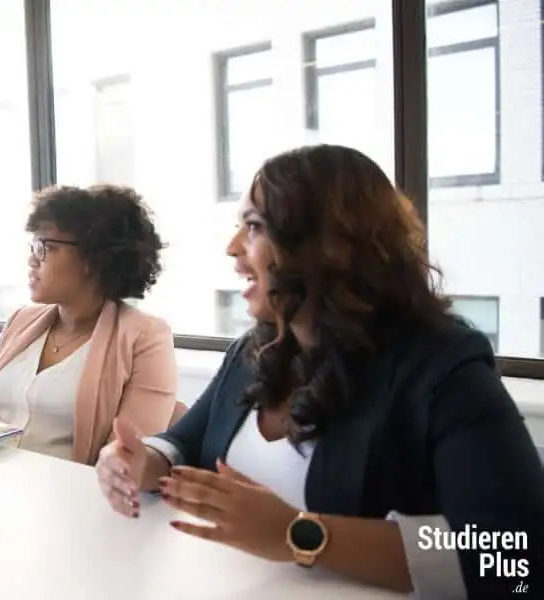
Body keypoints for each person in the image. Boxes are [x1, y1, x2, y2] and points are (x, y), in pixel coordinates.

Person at [95, 144, 544, 597]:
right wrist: (141, 462)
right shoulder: (255, 349)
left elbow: (511, 550)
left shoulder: (443, 366)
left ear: (330, 246)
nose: (232, 248)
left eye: (253, 227)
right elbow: (184, 444)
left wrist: (299, 534)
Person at [0, 184, 183, 465]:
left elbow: (128, 461)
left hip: (70, 499)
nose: (31, 260)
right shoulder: (21, 321)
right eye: (33, 246)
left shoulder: (146, 337)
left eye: (45, 247)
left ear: (94, 258)